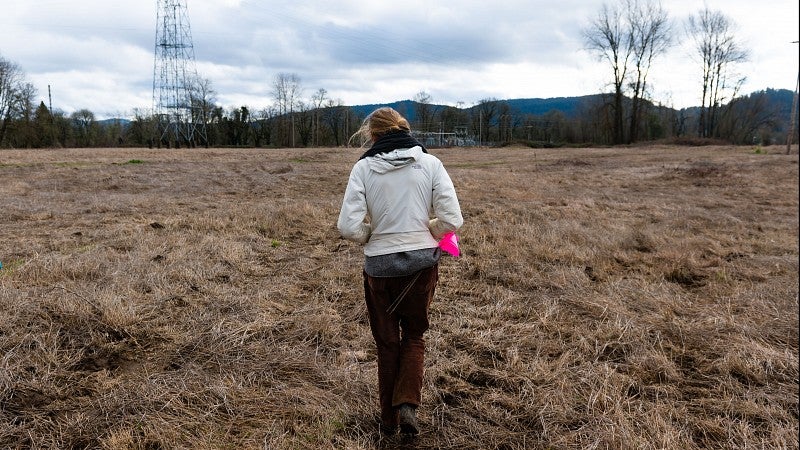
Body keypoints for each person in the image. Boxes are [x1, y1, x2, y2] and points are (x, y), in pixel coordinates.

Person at [337, 107, 463, 436]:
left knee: (387, 343)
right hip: (422, 266)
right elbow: (452, 222)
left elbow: (348, 226)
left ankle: (388, 422)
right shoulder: (431, 164)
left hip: (379, 268)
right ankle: (407, 403)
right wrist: (429, 231)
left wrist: (374, 237)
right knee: (415, 336)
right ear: (404, 130)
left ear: (373, 135)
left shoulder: (363, 168)